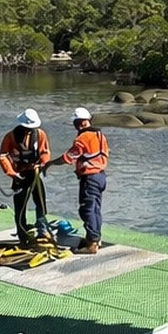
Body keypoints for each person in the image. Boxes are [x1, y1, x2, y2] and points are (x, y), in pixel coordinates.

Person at [48, 107, 110, 254]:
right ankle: (95, 238)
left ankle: (92, 243)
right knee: (95, 209)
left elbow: (67, 157)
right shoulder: (100, 135)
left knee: (87, 210)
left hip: (90, 178)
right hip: (101, 176)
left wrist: (50, 163)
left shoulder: (83, 138)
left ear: (77, 123)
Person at [0, 108, 52, 245]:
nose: (29, 131)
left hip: (34, 173)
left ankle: (42, 228)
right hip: (19, 175)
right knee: (20, 206)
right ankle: (22, 233)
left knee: (40, 201)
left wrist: (42, 164)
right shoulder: (10, 137)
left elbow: (45, 152)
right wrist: (11, 173)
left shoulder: (40, 134)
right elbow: (3, 156)